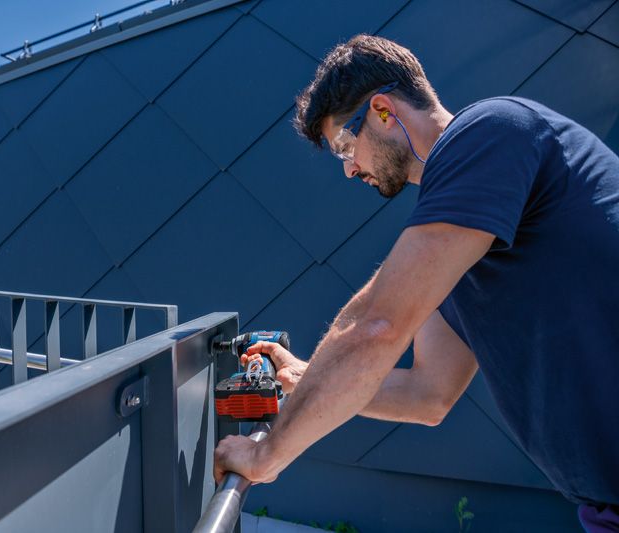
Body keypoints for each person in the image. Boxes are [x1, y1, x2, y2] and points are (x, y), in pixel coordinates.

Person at [212, 34, 619, 532]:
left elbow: (376, 325)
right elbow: (428, 393)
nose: (349, 169)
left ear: (383, 111)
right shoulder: (467, 232)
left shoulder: (491, 131)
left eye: (345, 145)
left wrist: (266, 455)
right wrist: (305, 377)